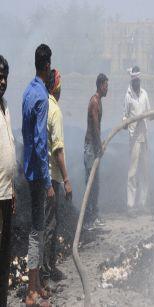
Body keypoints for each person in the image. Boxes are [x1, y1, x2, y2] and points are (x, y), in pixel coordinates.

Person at [22, 44, 52, 307]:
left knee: (38, 228)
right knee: (37, 230)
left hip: (28, 169)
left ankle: (38, 283)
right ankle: (31, 291)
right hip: (37, 173)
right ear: (47, 65)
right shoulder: (41, 96)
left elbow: (27, 135)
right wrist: (47, 178)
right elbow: (41, 142)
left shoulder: (27, 91)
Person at [42, 69, 72, 283]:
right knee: (51, 225)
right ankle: (48, 270)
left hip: (42, 174)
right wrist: (67, 180)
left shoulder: (43, 105)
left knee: (45, 223)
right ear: (57, 88)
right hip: (52, 176)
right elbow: (58, 150)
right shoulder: (55, 111)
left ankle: (45, 268)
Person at [123, 66, 151, 211]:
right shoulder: (128, 96)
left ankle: (142, 203)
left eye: (139, 80)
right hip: (134, 137)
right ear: (132, 80)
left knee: (145, 171)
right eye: (135, 81)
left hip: (144, 136)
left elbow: (149, 113)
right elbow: (125, 115)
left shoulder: (145, 94)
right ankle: (130, 204)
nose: (137, 83)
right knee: (132, 172)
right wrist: (125, 123)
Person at [0, 55, 16, 307]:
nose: (2, 80)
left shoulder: (5, 106)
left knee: (4, 255)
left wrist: (13, 190)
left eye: (4, 76)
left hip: (6, 193)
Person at [83, 73, 108, 229]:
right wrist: (99, 146)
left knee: (95, 184)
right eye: (106, 85)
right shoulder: (94, 102)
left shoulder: (99, 101)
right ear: (100, 85)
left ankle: (94, 215)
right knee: (90, 184)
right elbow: (94, 127)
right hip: (91, 148)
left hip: (95, 146)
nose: (107, 88)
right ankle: (87, 221)